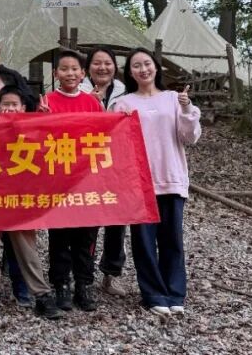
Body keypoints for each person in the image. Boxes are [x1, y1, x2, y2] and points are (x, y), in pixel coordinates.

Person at [115, 48, 201, 317]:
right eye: (136, 66)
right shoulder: (123, 103)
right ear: (130, 72)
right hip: (139, 183)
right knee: (143, 241)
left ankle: (175, 293)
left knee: (172, 239)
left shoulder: (173, 99)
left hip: (171, 177)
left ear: (156, 67)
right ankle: (153, 294)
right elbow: (116, 144)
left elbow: (190, 137)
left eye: (147, 64)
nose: (143, 69)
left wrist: (186, 108)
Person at [0, 86, 63, 321]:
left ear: (24, 107)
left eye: (15, 104)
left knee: (27, 247)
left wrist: (45, 121)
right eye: (6, 104)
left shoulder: (33, 128)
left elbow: (50, 150)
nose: (10, 108)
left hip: (20, 198)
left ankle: (41, 294)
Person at [41, 49, 104, 313]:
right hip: (58, 181)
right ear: (55, 73)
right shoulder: (47, 101)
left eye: (75, 69)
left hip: (86, 179)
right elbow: (36, 141)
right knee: (59, 235)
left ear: (83, 73)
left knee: (86, 236)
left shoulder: (91, 103)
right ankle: (61, 284)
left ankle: (84, 284)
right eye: (64, 69)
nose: (70, 73)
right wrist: (40, 118)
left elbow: (104, 136)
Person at [81, 47, 129, 297]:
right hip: (86, 165)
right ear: (88, 68)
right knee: (88, 222)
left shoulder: (125, 92)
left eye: (107, 63)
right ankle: (84, 275)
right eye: (97, 63)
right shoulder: (78, 90)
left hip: (117, 165)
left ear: (115, 66)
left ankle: (111, 274)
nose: (102, 68)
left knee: (117, 222)